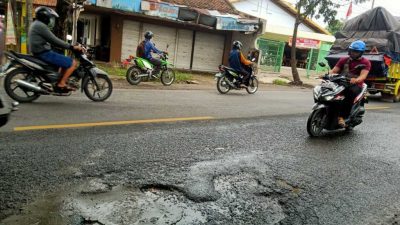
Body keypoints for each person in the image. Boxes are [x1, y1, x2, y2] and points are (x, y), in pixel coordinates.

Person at [28, 6, 82, 91]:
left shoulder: (36, 24)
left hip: (40, 51)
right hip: (43, 53)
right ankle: (61, 84)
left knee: (64, 61)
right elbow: (54, 40)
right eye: (50, 18)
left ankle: (58, 80)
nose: (51, 20)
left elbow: (49, 40)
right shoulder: (41, 26)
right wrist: (71, 47)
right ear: (45, 17)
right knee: (73, 63)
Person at [329, 40, 371, 127]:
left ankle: (342, 117)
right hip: (341, 82)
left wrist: (356, 80)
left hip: (355, 85)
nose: (353, 53)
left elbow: (363, 76)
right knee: (329, 89)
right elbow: (334, 71)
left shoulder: (365, 62)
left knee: (349, 93)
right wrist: (327, 75)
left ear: (361, 53)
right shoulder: (343, 60)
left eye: (356, 52)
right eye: (352, 51)